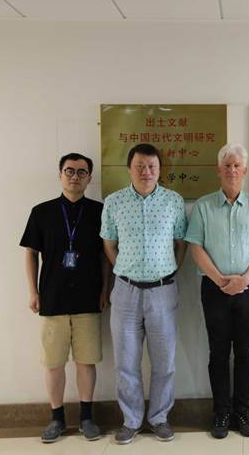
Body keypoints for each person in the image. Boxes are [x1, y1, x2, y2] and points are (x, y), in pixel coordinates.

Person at [185, 144, 249, 439]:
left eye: (237, 165)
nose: (232, 170)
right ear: (218, 170)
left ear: (245, 170)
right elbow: (195, 247)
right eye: (227, 165)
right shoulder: (203, 206)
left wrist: (245, 279)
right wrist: (220, 280)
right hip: (214, 289)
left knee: (246, 352)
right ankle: (221, 411)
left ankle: (242, 409)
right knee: (218, 352)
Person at [100, 143, 187, 444]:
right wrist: (124, 269)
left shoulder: (174, 201)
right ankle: (131, 420)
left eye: (152, 166)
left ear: (160, 170)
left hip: (163, 290)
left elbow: (181, 243)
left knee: (165, 361)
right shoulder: (114, 202)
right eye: (140, 166)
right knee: (126, 361)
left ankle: (160, 418)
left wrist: (169, 270)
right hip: (125, 291)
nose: (146, 171)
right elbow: (109, 243)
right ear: (129, 169)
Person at [20, 153, 109, 443]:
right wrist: (33, 291)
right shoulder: (41, 212)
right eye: (69, 171)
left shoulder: (99, 212)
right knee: (53, 362)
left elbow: (105, 256)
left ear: (89, 178)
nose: (75, 177)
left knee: (86, 361)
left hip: (88, 298)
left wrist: (104, 290)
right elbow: (31, 253)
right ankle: (56, 418)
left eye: (81, 172)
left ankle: (86, 418)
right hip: (52, 298)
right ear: (60, 175)